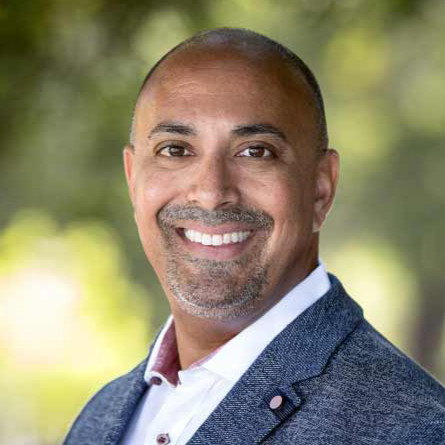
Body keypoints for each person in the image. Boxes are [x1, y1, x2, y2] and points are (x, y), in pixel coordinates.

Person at [63, 28, 445, 445]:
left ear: (321, 189)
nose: (211, 193)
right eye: (175, 149)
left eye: (255, 151)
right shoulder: (99, 420)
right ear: (133, 179)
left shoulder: (416, 430)